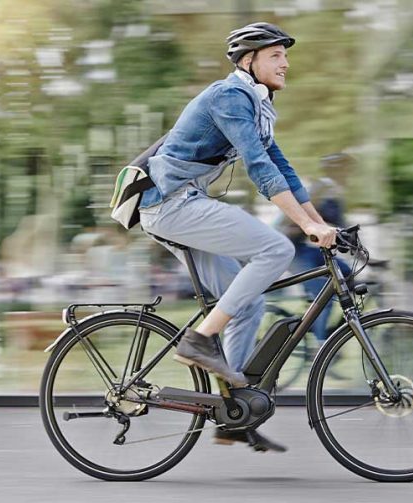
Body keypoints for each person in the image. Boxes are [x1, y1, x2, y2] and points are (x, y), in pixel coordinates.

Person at [137, 22, 336, 452]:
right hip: (171, 204)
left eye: (286, 55)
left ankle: (233, 414)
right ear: (248, 60)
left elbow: (283, 171)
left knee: (249, 302)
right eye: (275, 55)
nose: (286, 62)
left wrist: (321, 224)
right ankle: (199, 340)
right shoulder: (229, 96)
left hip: (181, 204)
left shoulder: (258, 106)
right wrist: (304, 228)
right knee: (276, 248)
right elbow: (258, 168)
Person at [283, 153, 355, 345]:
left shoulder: (334, 193)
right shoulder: (321, 189)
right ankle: (320, 346)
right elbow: (300, 220)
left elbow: (344, 230)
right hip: (290, 250)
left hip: (302, 248)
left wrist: (369, 259)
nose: (348, 174)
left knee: (347, 272)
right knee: (325, 296)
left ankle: (327, 328)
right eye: (345, 169)